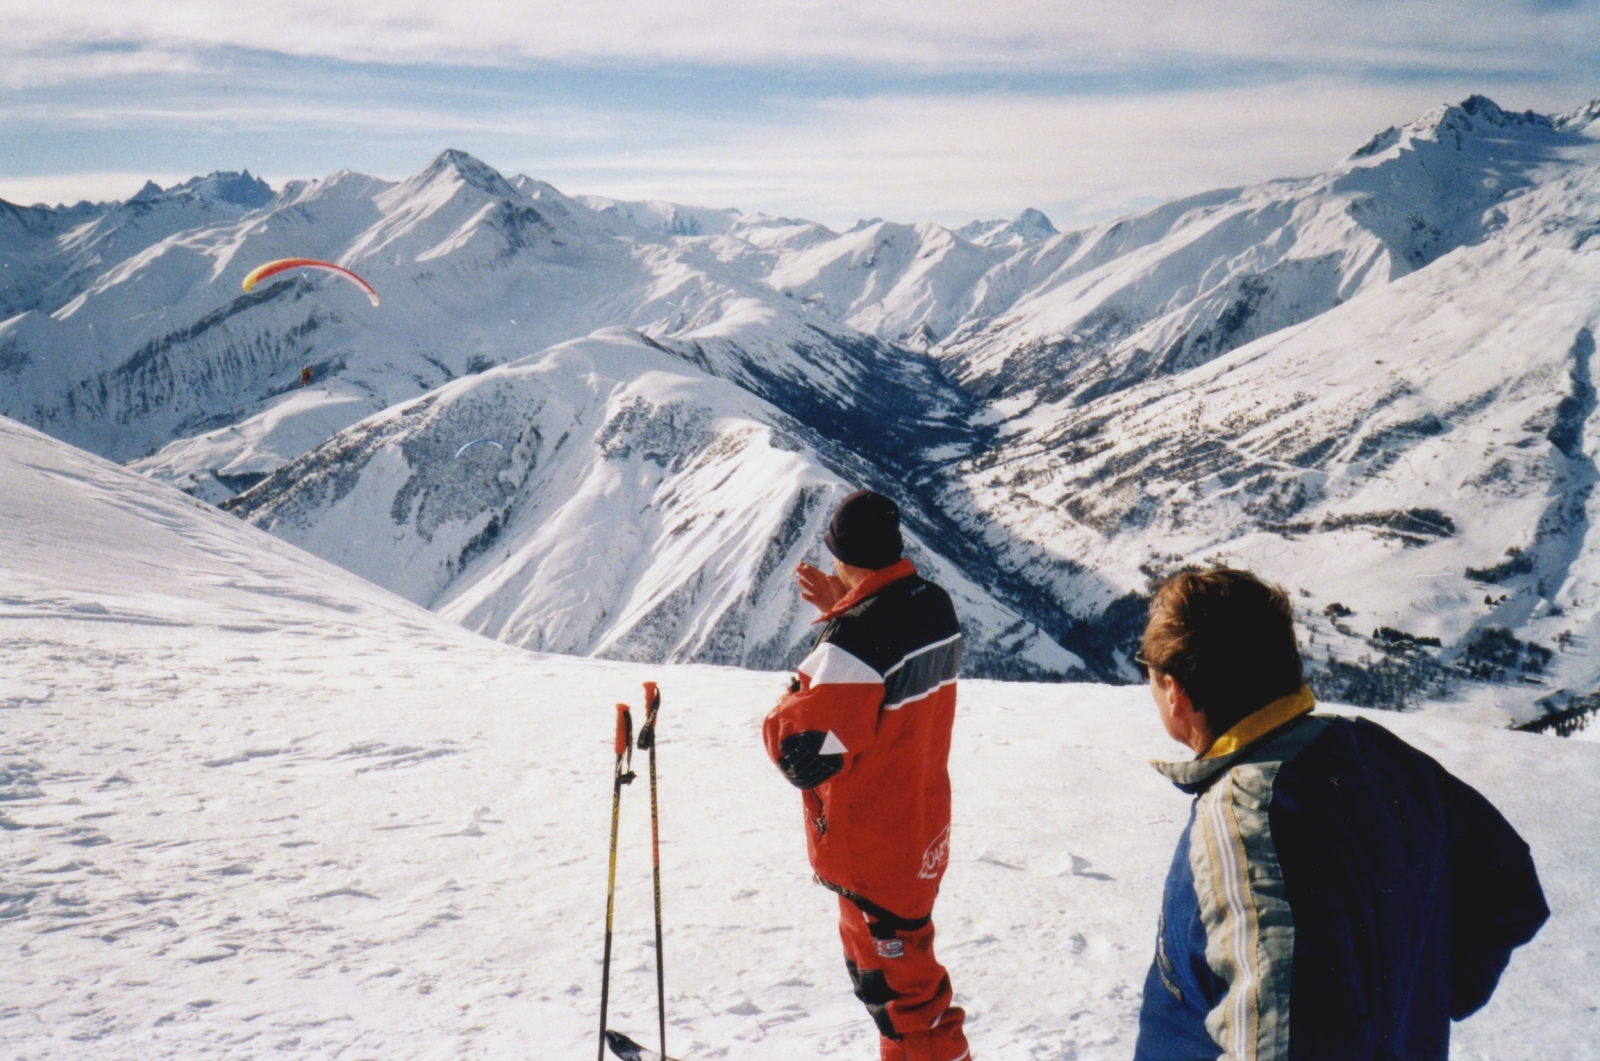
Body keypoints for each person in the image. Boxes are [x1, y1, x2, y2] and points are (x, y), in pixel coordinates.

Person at [1133, 569, 1549, 1061]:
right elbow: (1507, 884)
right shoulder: (1380, 755)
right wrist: (1415, 1006)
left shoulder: (1241, 834)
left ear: (1174, 690)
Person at [763, 490, 971, 1061]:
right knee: (896, 997)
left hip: (873, 849)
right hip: (917, 829)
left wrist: (806, 680)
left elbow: (802, 754)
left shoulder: (855, 643)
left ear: (841, 554)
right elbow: (887, 671)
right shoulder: (933, 604)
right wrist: (850, 608)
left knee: (909, 1005)